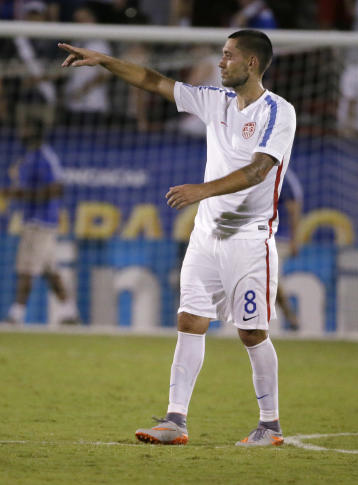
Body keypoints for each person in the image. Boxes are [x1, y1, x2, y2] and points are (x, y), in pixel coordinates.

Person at [59, 28, 296, 447]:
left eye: (227, 55)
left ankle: (270, 425)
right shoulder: (215, 101)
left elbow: (259, 170)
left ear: (251, 62)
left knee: (251, 333)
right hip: (206, 236)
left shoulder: (278, 112)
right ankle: (175, 420)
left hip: (249, 239)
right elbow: (154, 81)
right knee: (189, 321)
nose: (220, 62)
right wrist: (106, 60)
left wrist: (201, 191)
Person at [1, 113, 79, 326]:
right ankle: (69, 313)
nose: (21, 132)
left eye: (25, 128)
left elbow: (57, 188)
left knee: (26, 268)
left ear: (34, 131)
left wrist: (21, 195)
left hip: (41, 222)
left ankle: (15, 315)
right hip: (34, 220)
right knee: (50, 271)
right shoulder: (30, 156)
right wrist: (17, 193)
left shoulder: (45, 156)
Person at [275, 167, 303, 331]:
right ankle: (291, 318)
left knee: (270, 278)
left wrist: (294, 240)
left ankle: (291, 318)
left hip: (279, 238)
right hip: (257, 235)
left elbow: (294, 208)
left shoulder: (285, 176)